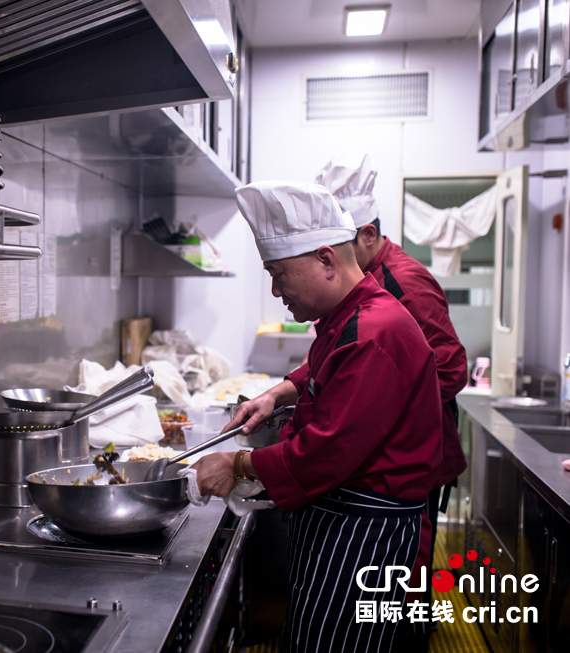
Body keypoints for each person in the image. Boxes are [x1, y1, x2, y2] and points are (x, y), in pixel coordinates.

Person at [192, 181, 443, 653]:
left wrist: (237, 466)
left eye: (279, 273)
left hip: (363, 532)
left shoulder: (373, 330)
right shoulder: (352, 317)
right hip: (344, 521)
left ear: (326, 260)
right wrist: (280, 393)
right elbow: (327, 368)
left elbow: (327, 450)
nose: (275, 289)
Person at [316, 154, 469, 650]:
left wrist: (383, 409)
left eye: (340, 246)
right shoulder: (362, 282)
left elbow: (451, 367)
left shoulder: (406, 281)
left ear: (366, 234)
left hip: (419, 455)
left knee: (408, 573)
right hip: (394, 452)